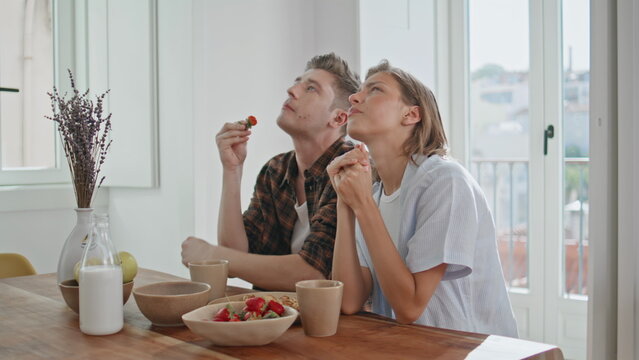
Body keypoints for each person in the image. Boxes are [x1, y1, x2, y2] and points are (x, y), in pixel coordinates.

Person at [327, 60, 518, 337]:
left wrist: (363, 206)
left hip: (466, 350)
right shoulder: (375, 194)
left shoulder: (446, 180)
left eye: (375, 90)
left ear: (411, 115)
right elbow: (349, 300)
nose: (354, 97)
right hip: (408, 349)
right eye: (358, 92)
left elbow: (409, 307)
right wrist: (345, 204)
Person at [181, 53, 360, 291]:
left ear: (338, 118)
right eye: (298, 82)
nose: (292, 90)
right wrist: (232, 170)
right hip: (277, 316)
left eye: (311, 89)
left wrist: (211, 254)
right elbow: (236, 255)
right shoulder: (276, 170)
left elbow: (314, 274)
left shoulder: (350, 170)